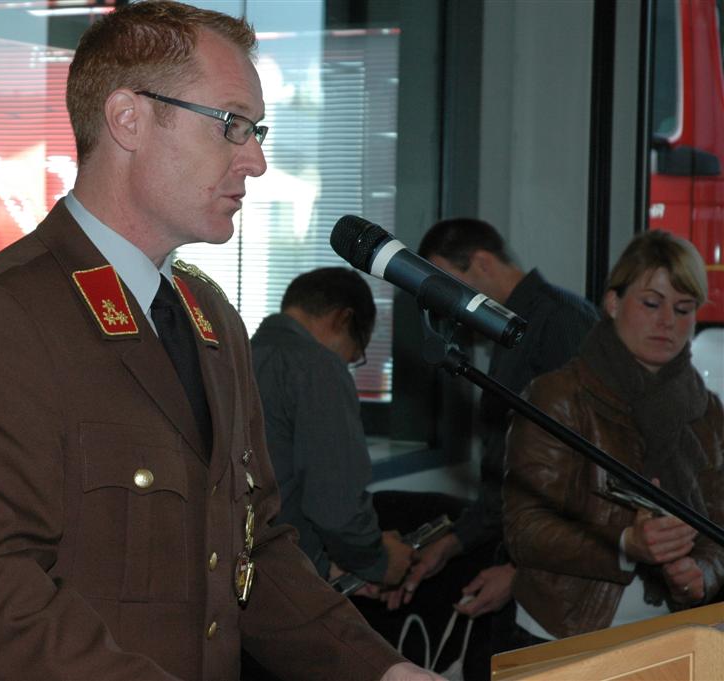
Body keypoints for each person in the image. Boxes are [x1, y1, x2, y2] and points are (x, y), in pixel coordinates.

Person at [0, 3, 441, 680]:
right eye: (231, 125)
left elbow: (255, 554)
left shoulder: (209, 318)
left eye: (257, 131)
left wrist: (383, 671)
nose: (256, 160)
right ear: (128, 119)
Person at [369, 218, 597, 678]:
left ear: (482, 263)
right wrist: (454, 541)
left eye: (443, 284)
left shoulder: (558, 322)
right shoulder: (510, 327)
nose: (440, 303)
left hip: (551, 582)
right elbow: (509, 467)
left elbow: (581, 470)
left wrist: (523, 573)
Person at [503, 230, 723, 643]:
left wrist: (700, 575)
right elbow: (524, 529)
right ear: (613, 302)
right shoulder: (559, 395)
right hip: (563, 632)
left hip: (672, 631)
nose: (667, 321)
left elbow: (717, 526)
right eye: (652, 303)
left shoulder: (706, 409)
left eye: (684, 308)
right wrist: (624, 544)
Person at [251, 267, 414, 593]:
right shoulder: (317, 366)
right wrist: (378, 560)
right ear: (343, 319)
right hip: (285, 580)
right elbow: (335, 505)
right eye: (355, 354)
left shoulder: (237, 354)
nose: (349, 363)